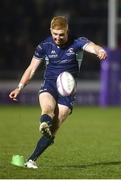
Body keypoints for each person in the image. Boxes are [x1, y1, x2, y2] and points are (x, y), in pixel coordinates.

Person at [9, 16, 107, 169]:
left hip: (67, 92)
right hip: (49, 85)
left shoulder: (77, 42)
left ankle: (31, 160)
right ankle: (44, 123)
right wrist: (19, 87)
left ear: (67, 31)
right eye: (55, 34)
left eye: (61, 34)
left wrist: (99, 50)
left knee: (54, 128)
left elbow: (92, 46)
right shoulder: (45, 45)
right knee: (47, 109)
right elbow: (31, 69)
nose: (58, 38)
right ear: (51, 31)